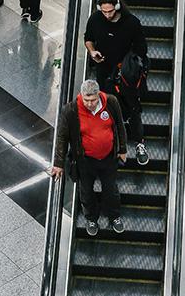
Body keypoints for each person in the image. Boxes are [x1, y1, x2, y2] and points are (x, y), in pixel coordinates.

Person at [50, 80, 128, 236]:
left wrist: (122, 149)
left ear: (99, 95)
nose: (90, 104)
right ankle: (91, 219)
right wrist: (58, 163)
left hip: (108, 158)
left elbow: (119, 125)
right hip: (85, 161)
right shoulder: (70, 110)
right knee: (86, 191)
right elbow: (62, 137)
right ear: (81, 95)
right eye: (86, 100)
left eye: (93, 100)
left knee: (111, 189)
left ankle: (114, 216)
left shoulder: (111, 102)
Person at [84, 0, 150, 166]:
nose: (107, 15)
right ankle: (115, 146)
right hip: (105, 73)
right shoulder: (95, 19)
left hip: (126, 75)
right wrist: (92, 51)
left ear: (118, 7)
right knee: (110, 108)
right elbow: (88, 39)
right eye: (104, 11)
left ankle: (139, 143)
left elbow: (142, 48)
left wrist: (128, 64)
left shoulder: (131, 23)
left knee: (133, 108)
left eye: (111, 11)